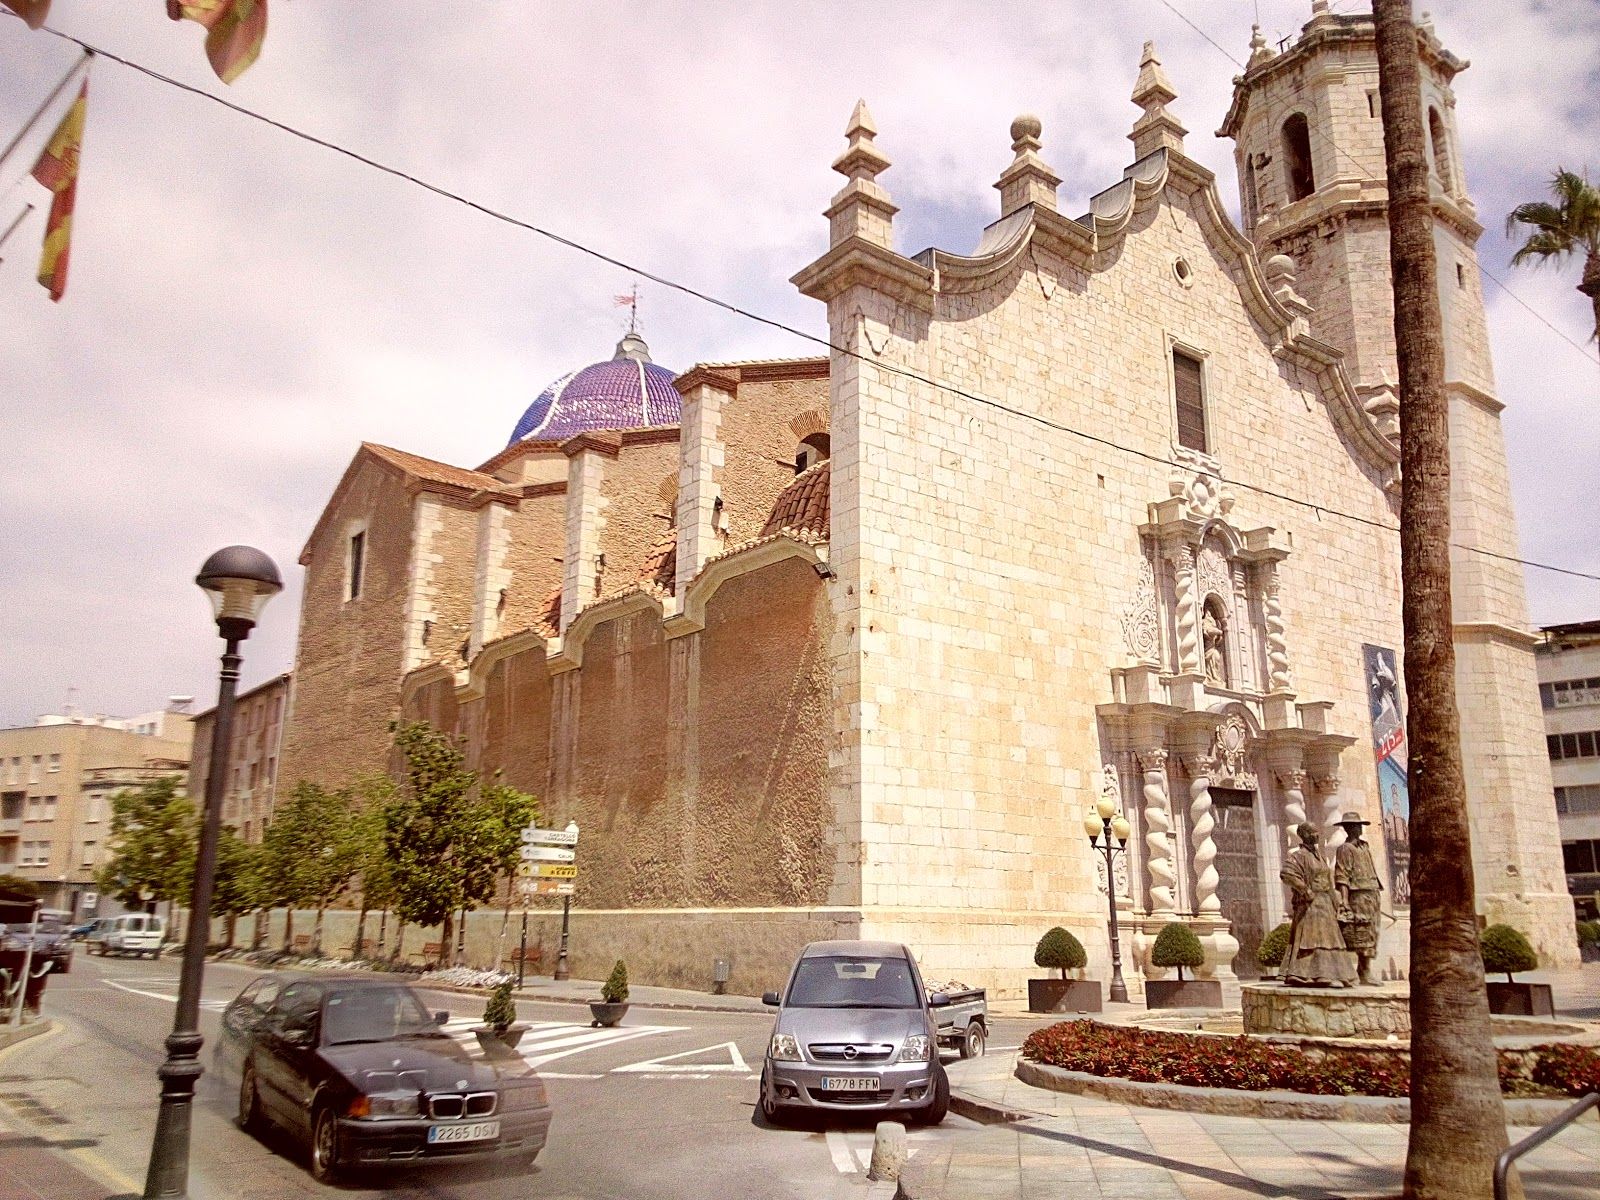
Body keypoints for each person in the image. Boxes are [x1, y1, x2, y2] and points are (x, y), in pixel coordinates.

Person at [1278, 823, 1357, 986]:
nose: (1317, 835)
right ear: (1304, 835)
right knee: (1313, 940)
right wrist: (1304, 890)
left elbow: (1328, 881)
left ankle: (1335, 975)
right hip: (1310, 906)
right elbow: (1287, 873)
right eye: (1313, 832)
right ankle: (1313, 976)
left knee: (1330, 940)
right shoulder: (1298, 855)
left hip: (1326, 904)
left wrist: (1339, 902)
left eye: (1317, 831)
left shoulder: (1319, 856)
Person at [1335, 811, 1384, 986]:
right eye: (1356, 825)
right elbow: (1342, 876)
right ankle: (1363, 971)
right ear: (1349, 828)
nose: (1359, 828)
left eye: (1360, 825)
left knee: (1372, 932)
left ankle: (1364, 969)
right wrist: (1344, 900)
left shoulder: (1365, 846)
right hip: (1358, 895)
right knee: (1361, 933)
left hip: (1372, 892)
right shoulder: (1344, 849)